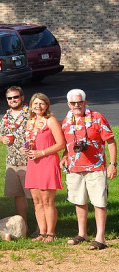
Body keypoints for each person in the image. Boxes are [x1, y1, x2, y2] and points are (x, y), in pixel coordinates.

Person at [60, 89, 117, 250]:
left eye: (80, 102)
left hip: (96, 167)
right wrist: (65, 156)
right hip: (74, 168)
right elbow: (67, 145)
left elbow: (111, 142)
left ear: (85, 103)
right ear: (68, 105)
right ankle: (82, 233)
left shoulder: (97, 118)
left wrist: (113, 164)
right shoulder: (66, 120)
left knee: (99, 201)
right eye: (73, 103)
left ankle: (100, 238)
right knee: (79, 200)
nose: (77, 105)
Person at [20, 93, 65, 242]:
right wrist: (25, 150)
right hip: (34, 163)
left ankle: (51, 233)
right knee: (37, 201)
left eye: (42, 103)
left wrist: (42, 152)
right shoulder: (30, 122)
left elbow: (61, 144)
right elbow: (30, 142)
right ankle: (42, 232)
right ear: (31, 105)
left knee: (47, 201)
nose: (38, 106)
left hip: (47, 161)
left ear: (47, 106)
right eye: (36, 103)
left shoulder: (51, 121)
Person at [0, 87, 31, 224]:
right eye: (9, 98)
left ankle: (41, 227)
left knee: (34, 195)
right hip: (12, 161)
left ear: (22, 97)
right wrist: (2, 139)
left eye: (15, 97)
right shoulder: (6, 116)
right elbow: (0, 133)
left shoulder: (31, 114)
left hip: (29, 160)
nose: (13, 100)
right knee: (18, 195)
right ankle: (23, 224)